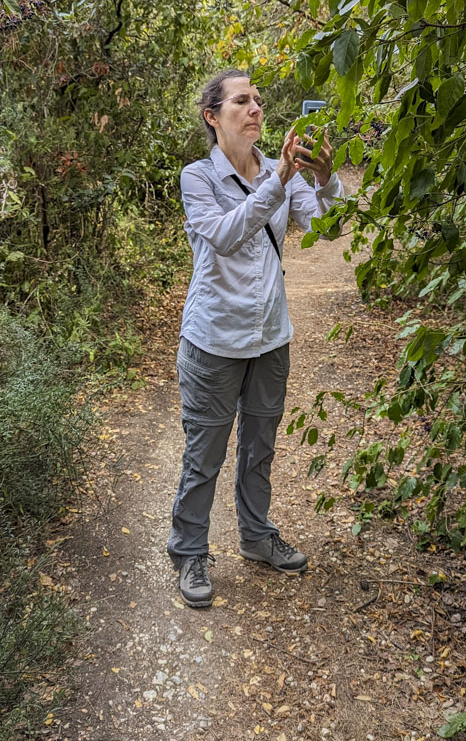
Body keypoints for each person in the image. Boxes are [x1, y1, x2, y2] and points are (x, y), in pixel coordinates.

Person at [167, 68, 343, 608]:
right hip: (214, 341)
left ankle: (256, 534)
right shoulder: (197, 177)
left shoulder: (277, 172)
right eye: (241, 101)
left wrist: (324, 179)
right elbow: (223, 235)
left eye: (258, 101)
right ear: (212, 115)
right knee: (205, 454)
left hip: (270, 337)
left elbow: (322, 226)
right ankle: (190, 549)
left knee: (259, 447)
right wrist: (279, 182)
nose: (255, 109)